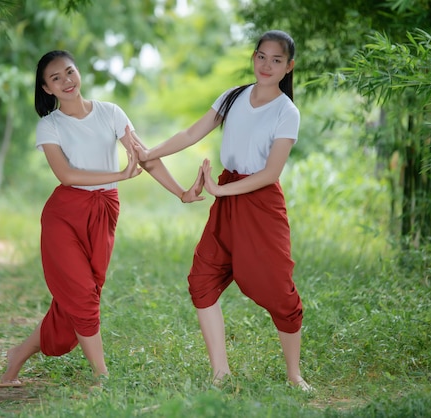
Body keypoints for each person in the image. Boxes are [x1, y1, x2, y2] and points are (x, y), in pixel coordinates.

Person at [0, 50, 204, 386]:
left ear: (78, 72)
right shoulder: (49, 126)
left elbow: (145, 157)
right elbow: (66, 175)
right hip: (64, 216)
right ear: (46, 89)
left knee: (77, 301)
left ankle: (18, 354)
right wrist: (120, 175)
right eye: (56, 78)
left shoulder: (110, 113)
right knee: (81, 296)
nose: (66, 81)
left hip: (103, 213)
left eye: (69, 72)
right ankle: (102, 376)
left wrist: (182, 193)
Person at [133, 30, 313, 391]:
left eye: (277, 60)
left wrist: (218, 189)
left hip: (260, 202)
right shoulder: (233, 97)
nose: (267, 65)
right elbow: (189, 133)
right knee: (202, 279)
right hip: (228, 196)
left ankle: (294, 375)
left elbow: (270, 174)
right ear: (253, 57)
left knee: (279, 290)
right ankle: (220, 373)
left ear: (289, 66)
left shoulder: (286, 112)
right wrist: (149, 153)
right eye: (261, 56)